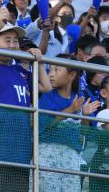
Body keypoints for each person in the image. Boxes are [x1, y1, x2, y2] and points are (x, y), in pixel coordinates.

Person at [0, 7, 49, 192]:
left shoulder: (19, 71)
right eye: (7, 40)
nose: (13, 45)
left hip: (19, 156)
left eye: (15, 41)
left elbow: (46, 87)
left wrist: (40, 62)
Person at [38, 54, 100, 191]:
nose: (51, 74)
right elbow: (42, 125)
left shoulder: (79, 98)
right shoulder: (48, 97)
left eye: (57, 70)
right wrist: (69, 110)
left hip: (71, 156)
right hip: (48, 153)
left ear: (71, 75)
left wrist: (86, 116)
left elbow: (83, 132)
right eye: (51, 69)